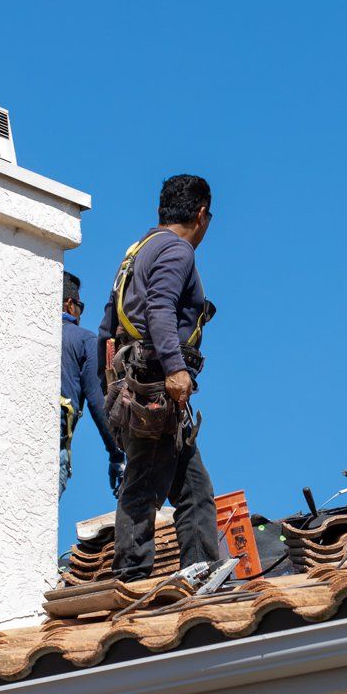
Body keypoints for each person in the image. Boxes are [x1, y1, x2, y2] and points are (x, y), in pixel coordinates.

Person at [99, 174, 220, 578]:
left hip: (137, 383)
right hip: (156, 384)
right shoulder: (177, 251)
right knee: (145, 478)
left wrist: (110, 389)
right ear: (202, 214)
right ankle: (131, 573)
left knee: (194, 490)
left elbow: (107, 325)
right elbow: (160, 309)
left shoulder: (137, 252)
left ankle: (202, 572)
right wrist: (174, 368)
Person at [58, 271, 121, 497]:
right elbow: (98, 402)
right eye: (80, 307)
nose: (81, 314)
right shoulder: (84, 339)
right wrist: (116, 454)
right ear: (69, 304)